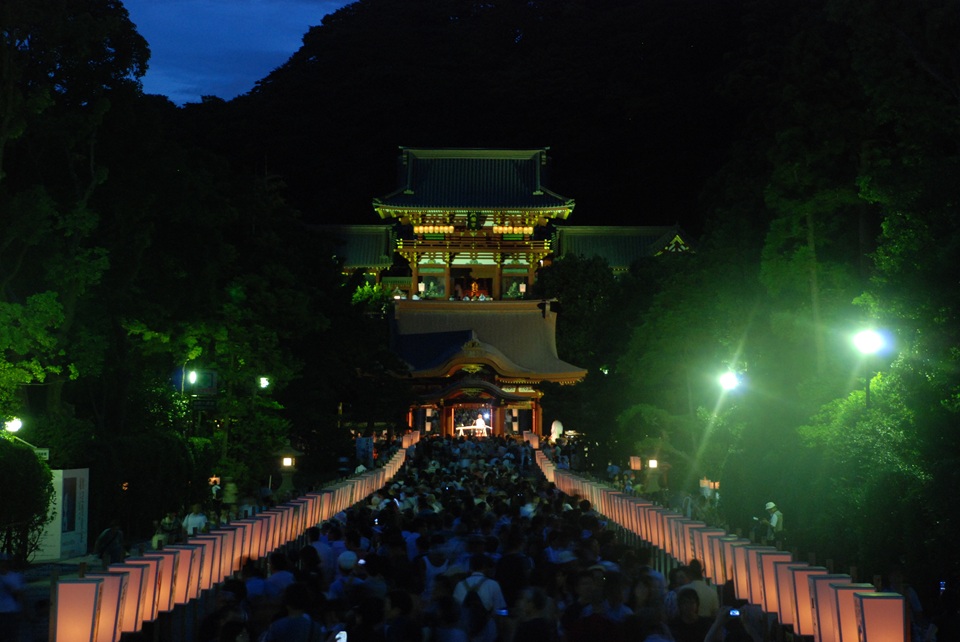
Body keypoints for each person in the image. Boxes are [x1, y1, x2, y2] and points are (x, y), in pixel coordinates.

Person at [0, 553, 25, 642]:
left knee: (12, 636)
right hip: (2, 612)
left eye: (4, 562)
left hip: (12, 611)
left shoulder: (16, 576)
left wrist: (22, 610)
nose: (3, 564)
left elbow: (21, 594)